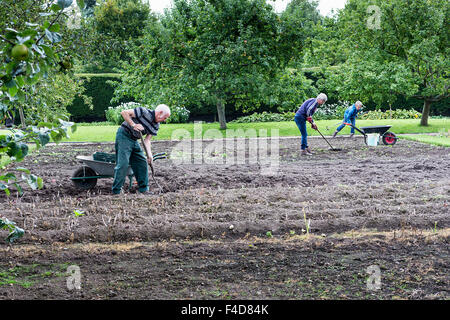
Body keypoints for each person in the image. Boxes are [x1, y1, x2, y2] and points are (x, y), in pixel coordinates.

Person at [112, 104, 171, 195]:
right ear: (160, 113)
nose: (165, 120)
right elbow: (124, 113)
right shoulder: (143, 112)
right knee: (123, 163)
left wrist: (149, 154)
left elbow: (147, 140)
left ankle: (143, 189)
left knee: (142, 162)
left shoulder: (156, 125)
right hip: (124, 135)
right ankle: (116, 191)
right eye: (165, 117)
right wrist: (133, 125)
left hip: (134, 140)